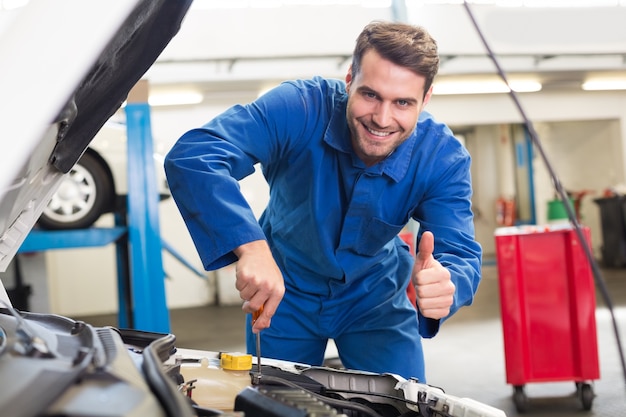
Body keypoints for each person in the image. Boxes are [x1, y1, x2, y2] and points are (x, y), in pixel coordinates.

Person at [164, 20, 482, 382]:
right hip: (284, 293)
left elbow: (459, 251)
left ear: (425, 100)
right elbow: (195, 155)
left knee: (402, 404)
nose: (381, 118)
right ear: (349, 80)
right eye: (370, 95)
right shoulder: (299, 108)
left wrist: (448, 283)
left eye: (403, 102)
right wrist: (251, 249)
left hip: (376, 300)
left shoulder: (442, 157)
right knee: (274, 402)